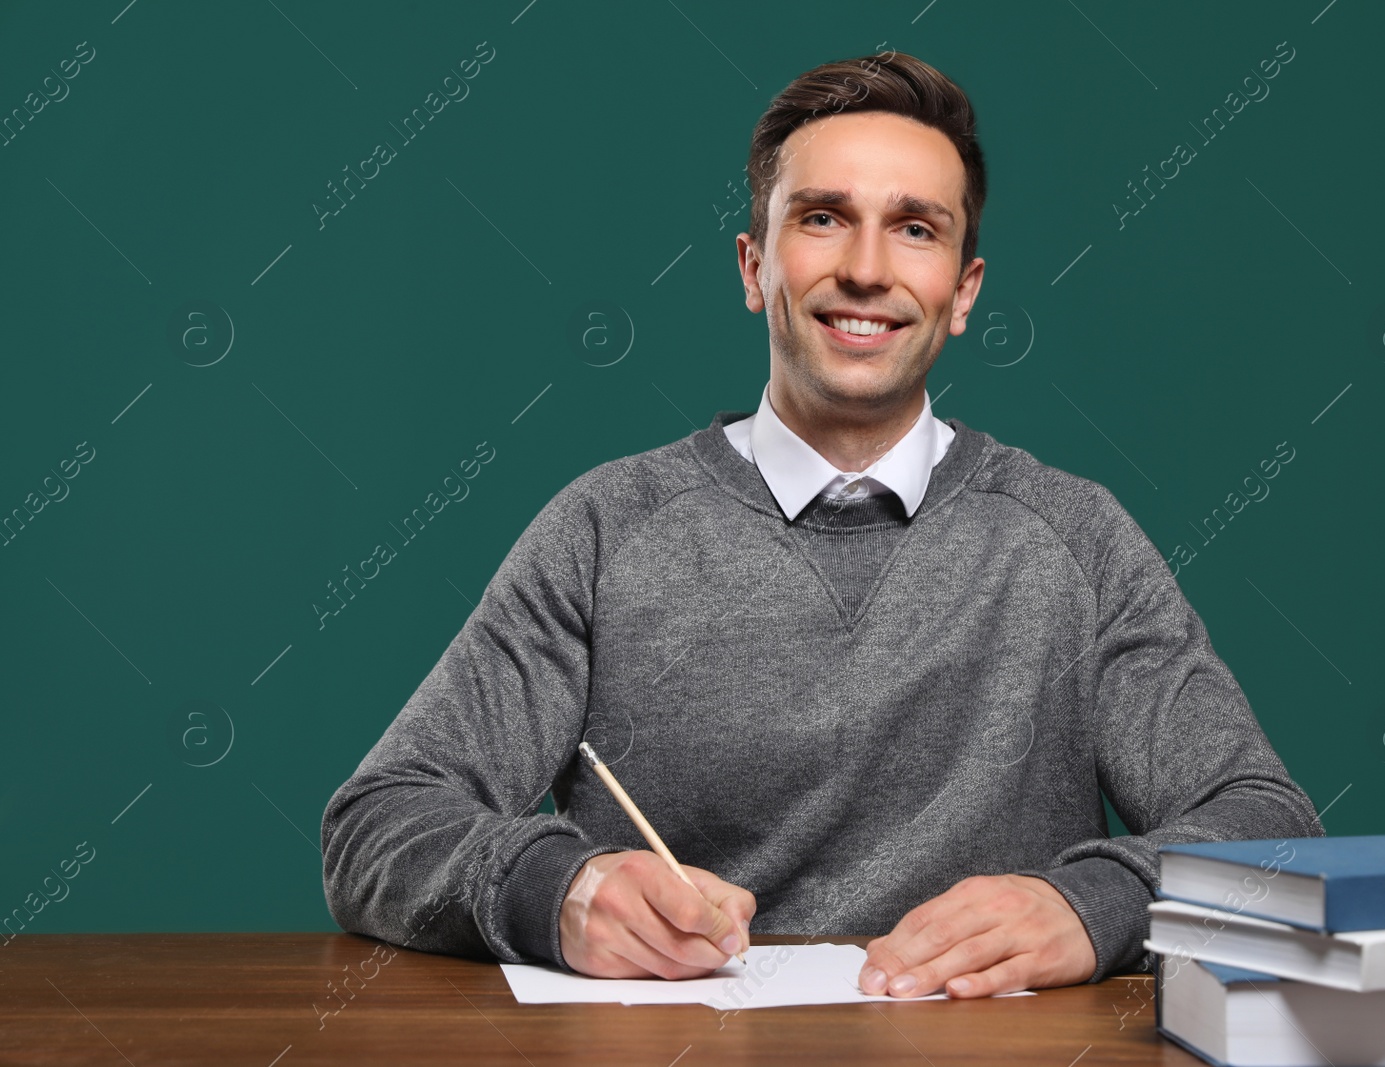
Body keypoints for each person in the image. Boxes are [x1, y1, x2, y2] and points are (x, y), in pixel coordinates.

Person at [321, 50, 1322, 1000]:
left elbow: (1271, 833)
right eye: (824, 219)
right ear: (754, 267)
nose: (866, 269)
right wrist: (557, 890)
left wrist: (1093, 902)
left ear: (962, 292)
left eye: (917, 228)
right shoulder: (604, 528)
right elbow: (378, 825)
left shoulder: (1078, 538)